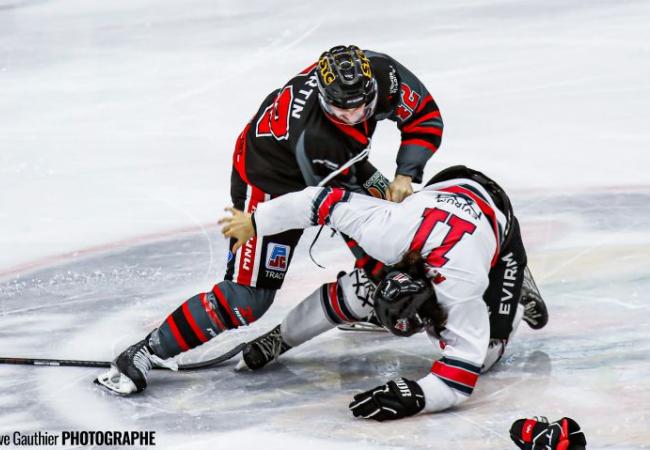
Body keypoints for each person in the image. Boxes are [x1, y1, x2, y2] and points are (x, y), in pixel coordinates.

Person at [95, 45, 443, 395]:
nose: (354, 115)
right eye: (342, 108)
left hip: (335, 167)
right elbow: (337, 209)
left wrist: (406, 174)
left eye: (362, 106)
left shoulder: (383, 73)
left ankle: (369, 295)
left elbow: (424, 115)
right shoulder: (316, 139)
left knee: (388, 212)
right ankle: (146, 351)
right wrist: (385, 268)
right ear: (323, 98)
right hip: (269, 180)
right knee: (246, 300)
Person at [219, 165, 549, 420]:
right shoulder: (386, 232)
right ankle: (282, 336)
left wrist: (415, 397)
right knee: (362, 290)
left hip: (499, 232)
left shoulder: (461, 291)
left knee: (488, 354)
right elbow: (320, 202)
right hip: (447, 189)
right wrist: (256, 222)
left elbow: (462, 377)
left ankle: (517, 288)